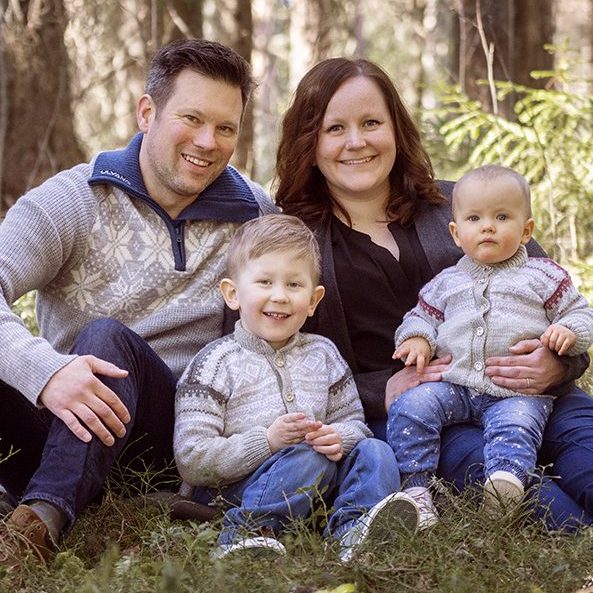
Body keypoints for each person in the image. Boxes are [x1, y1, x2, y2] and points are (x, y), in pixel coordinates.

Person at [274, 56, 593, 532]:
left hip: (537, 395)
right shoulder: (295, 243)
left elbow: (557, 296)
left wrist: (557, 364)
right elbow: (274, 362)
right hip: (424, 419)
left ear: (396, 130)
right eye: (334, 128)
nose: (356, 141)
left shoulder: (464, 204)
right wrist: (381, 390)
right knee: (542, 504)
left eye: (371, 123)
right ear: (309, 141)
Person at [0, 38, 277, 567]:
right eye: (192, 118)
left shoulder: (253, 213)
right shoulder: (74, 199)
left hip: (167, 435)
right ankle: (40, 494)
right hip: (66, 422)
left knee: (106, 338)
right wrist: (45, 373)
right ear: (147, 111)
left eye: (226, 128)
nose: (207, 142)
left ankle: (37, 525)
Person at [174, 214, 420, 562]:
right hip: (231, 490)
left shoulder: (324, 354)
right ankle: (248, 532)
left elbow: (355, 423)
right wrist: (268, 442)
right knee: (307, 458)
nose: (280, 296)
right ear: (232, 294)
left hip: (316, 480)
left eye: (293, 285)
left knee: (376, 450)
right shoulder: (214, 363)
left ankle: (354, 530)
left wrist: (339, 437)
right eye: (264, 282)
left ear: (313, 300)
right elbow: (192, 459)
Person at [387, 164, 593, 523]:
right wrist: (417, 338)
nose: (487, 226)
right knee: (412, 406)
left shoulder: (543, 275)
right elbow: (421, 316)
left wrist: (569, 334)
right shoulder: (445, 282)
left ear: (526, 230)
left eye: (501, 217)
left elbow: (579, 312)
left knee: (515, 427)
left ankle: (505, 483)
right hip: (456, 387)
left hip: (518, 391)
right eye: (474, 218)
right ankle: (415, 488)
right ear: (455, 233)